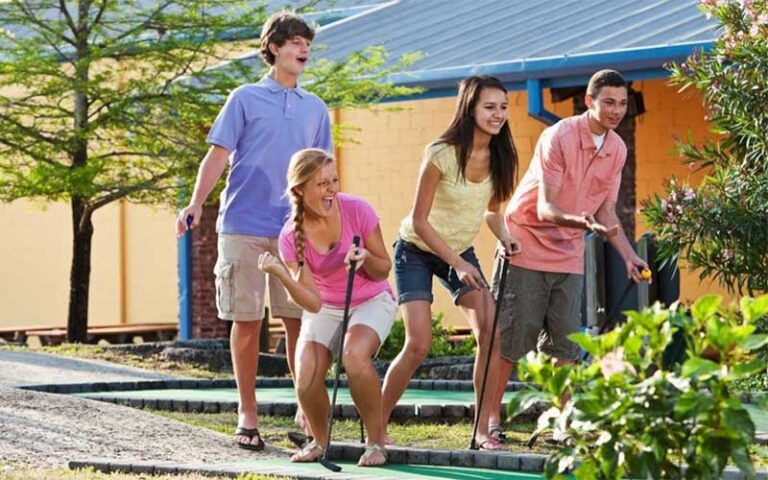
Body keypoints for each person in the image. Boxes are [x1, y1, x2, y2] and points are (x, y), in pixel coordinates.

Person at [175, 12, 332, 451]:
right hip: (243, 225)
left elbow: (324, 175)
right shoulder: (244, 98)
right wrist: (194, 202)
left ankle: (306, 408)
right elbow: (217, 157)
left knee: (298, 321)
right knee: (246, 321)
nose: (303, 50)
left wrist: (330, 223)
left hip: (295, 230)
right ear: (275, 47)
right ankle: (248, 412)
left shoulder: (315, 108)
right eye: (295, 42)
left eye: (307, 44)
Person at [487, 69, 649, 436]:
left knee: (566, 346)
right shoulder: (559, 135)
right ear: (590, 101)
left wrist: (627, 255)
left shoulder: (617, 149)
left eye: (623, 103)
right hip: (525, 244)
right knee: (510, 342)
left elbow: (607, 213)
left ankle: (567, 425)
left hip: (569, 254)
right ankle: (491, 421)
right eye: (608, 102)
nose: (617, 110)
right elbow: (546, 208)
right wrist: (584, 223)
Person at [380, 75, 519, 451]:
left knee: (491, 330)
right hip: (416, 249)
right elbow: (420, 220)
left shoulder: (502, 156)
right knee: (418, 343)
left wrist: (504, 235)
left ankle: (481, 429)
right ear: (470, 108)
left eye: (503, 107)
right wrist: (457, 262)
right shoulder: (440, 152)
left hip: (459, 250)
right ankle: (376, 424)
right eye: (489, 107)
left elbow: (491, 211)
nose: (498, 114)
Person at [258, 148, 396, 466]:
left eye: (333, 180)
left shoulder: (357, 210)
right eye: (322, 183)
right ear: (300, 190)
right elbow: (312, 301)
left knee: (354, 354)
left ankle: (376, 443)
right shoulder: (291, 236)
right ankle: (320, 442)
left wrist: (364, 259)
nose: (331, 189)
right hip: (327, 306)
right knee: (306, 372)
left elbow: (383, 268)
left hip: (372, 299)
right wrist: (280, 273)